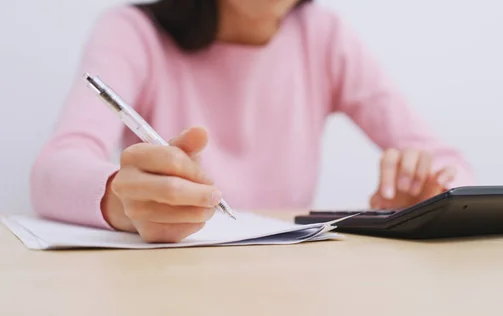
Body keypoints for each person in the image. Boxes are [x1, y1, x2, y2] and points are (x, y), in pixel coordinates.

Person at [30, 0, 474, 243]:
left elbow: (449, 162)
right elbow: (54, 168)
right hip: (165, 283)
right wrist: (122, 200)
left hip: (286, 283)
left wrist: (434, 196)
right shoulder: (131, 31)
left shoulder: (322, 35)